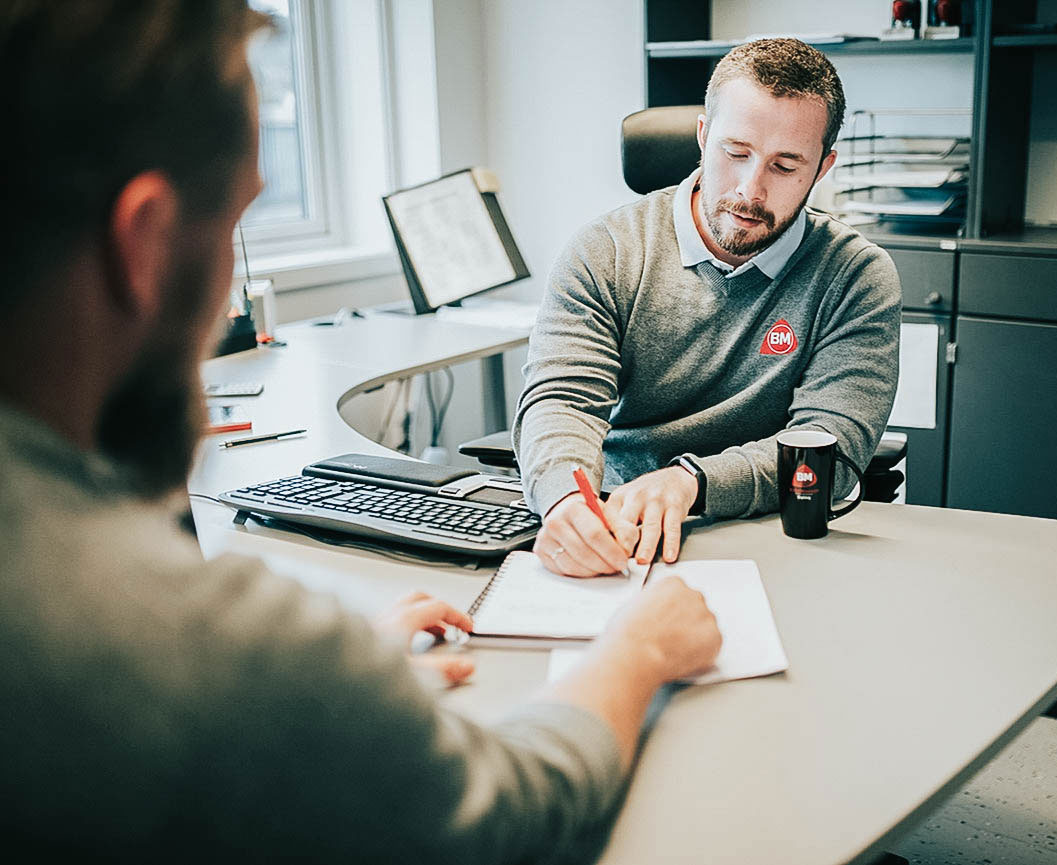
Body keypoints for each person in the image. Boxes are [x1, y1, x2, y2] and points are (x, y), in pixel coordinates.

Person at [0, 2, 720, 861]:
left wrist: (299, 695)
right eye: (235, 221)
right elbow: (511, 814)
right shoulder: (190, 633)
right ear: (146, 244)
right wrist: (635, 648)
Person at [514, 38, 901, 577]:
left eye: (786, 166)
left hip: (778, 537)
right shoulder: (607, 250)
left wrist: (690, 483)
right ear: (702, 136)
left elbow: (828, 451)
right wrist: (564, 498)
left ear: (823, 167)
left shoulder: (855, 275)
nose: (750, 190)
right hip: (618, 527)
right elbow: (561, 401)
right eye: (735, 153)